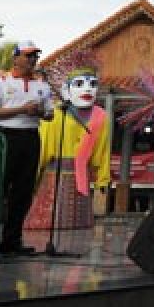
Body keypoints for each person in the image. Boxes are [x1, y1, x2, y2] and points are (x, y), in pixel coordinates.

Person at [25, 49, 111, 232]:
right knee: (47, 227)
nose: (87, 89)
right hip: (54, 174)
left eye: (93, 84)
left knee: (79, 229)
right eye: (79, 84)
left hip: (82, 176)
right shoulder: (55, 114)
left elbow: (103, 151)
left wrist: (102, 179)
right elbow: (43, 148)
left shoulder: (101, 116)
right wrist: (31, 176)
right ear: (66, 89)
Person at [0, 40, 54, 256]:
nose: (32, 59)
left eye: (35, 56)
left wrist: (39, 112)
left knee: (23, 191)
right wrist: (22, 109)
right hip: (6, 137)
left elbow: (50, 115)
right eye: (28, 55)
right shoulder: (1, 81)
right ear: (15, 58)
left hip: (31, 137)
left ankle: (12, 241)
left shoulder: (42, 85)